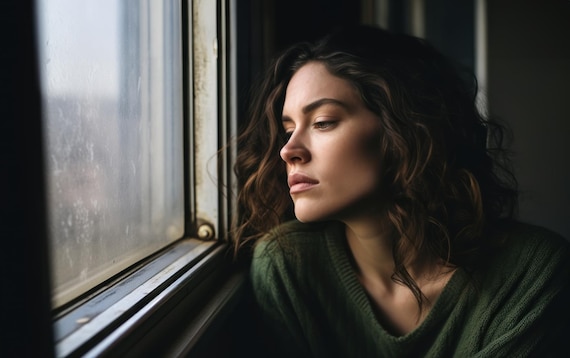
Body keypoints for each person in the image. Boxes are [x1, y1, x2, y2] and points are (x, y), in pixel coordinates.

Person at [232, 25, 570, 357]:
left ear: (405, 129)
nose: (288, 150)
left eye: (322, 122)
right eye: (288, 129)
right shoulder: (287, 265)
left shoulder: (534, 271)